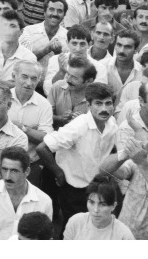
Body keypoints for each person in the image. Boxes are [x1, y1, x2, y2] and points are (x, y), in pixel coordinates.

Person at [37, 82, 119, 233]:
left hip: (95, 185)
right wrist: (59, 173)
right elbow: (42, 148)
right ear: (88, 104)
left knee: (91, 228)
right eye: (98, 104)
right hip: (74, 188)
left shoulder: (112, 123)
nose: (104, 109)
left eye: (108, 104)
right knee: (73, 228)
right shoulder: (78, 127)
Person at [0, 146, 52, 239]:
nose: (7, 176)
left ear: (27, 171)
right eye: (4, 169)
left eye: (14, 171)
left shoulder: (44, 201)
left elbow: (43, 239)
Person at [62, 174, 134, 239]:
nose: (95, 210)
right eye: (91, 202)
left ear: (113, 206)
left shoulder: (124, 235)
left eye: (102, 204)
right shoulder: (75, 222)